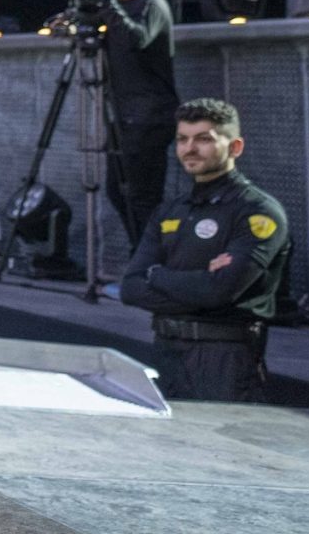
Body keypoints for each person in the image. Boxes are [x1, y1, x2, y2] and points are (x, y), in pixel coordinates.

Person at [121, 99, 292, 401]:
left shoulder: (257, 211)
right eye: (183, 139)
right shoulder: (170, 210)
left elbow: (218, 291)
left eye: (204, 139)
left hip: (224, 359)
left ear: (235, 147)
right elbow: (130, 288)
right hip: (165, 351)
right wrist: (199, 282)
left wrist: (157, 275)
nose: (190, 148)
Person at [72, 0, 179, 248]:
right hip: (123, 115)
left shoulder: (152, 4)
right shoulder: (114, 7)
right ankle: (143, 259)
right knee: (118, 193)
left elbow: (137, 39)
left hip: (149, 116)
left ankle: (150, 266)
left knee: (142, 198)